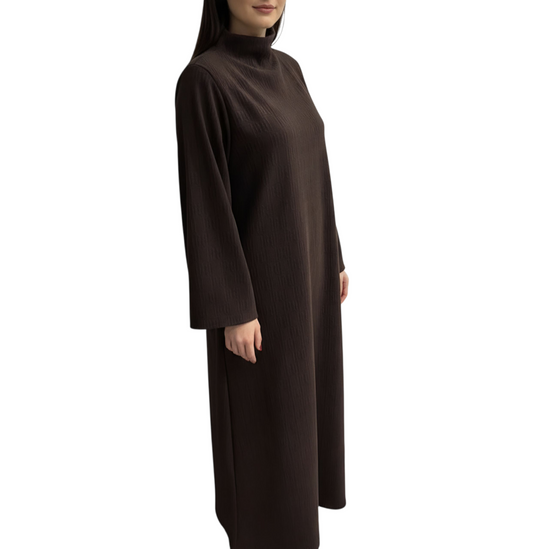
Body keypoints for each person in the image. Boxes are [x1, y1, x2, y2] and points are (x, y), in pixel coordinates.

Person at [174, 1, 349, 548]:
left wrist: (334, 254)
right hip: (258, 298)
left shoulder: (289, 69)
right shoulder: (204, 80)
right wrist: (232, 308)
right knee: (265, 438)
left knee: (303, 425)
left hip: (307, 279)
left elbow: (311, 167)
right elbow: (205, 198)